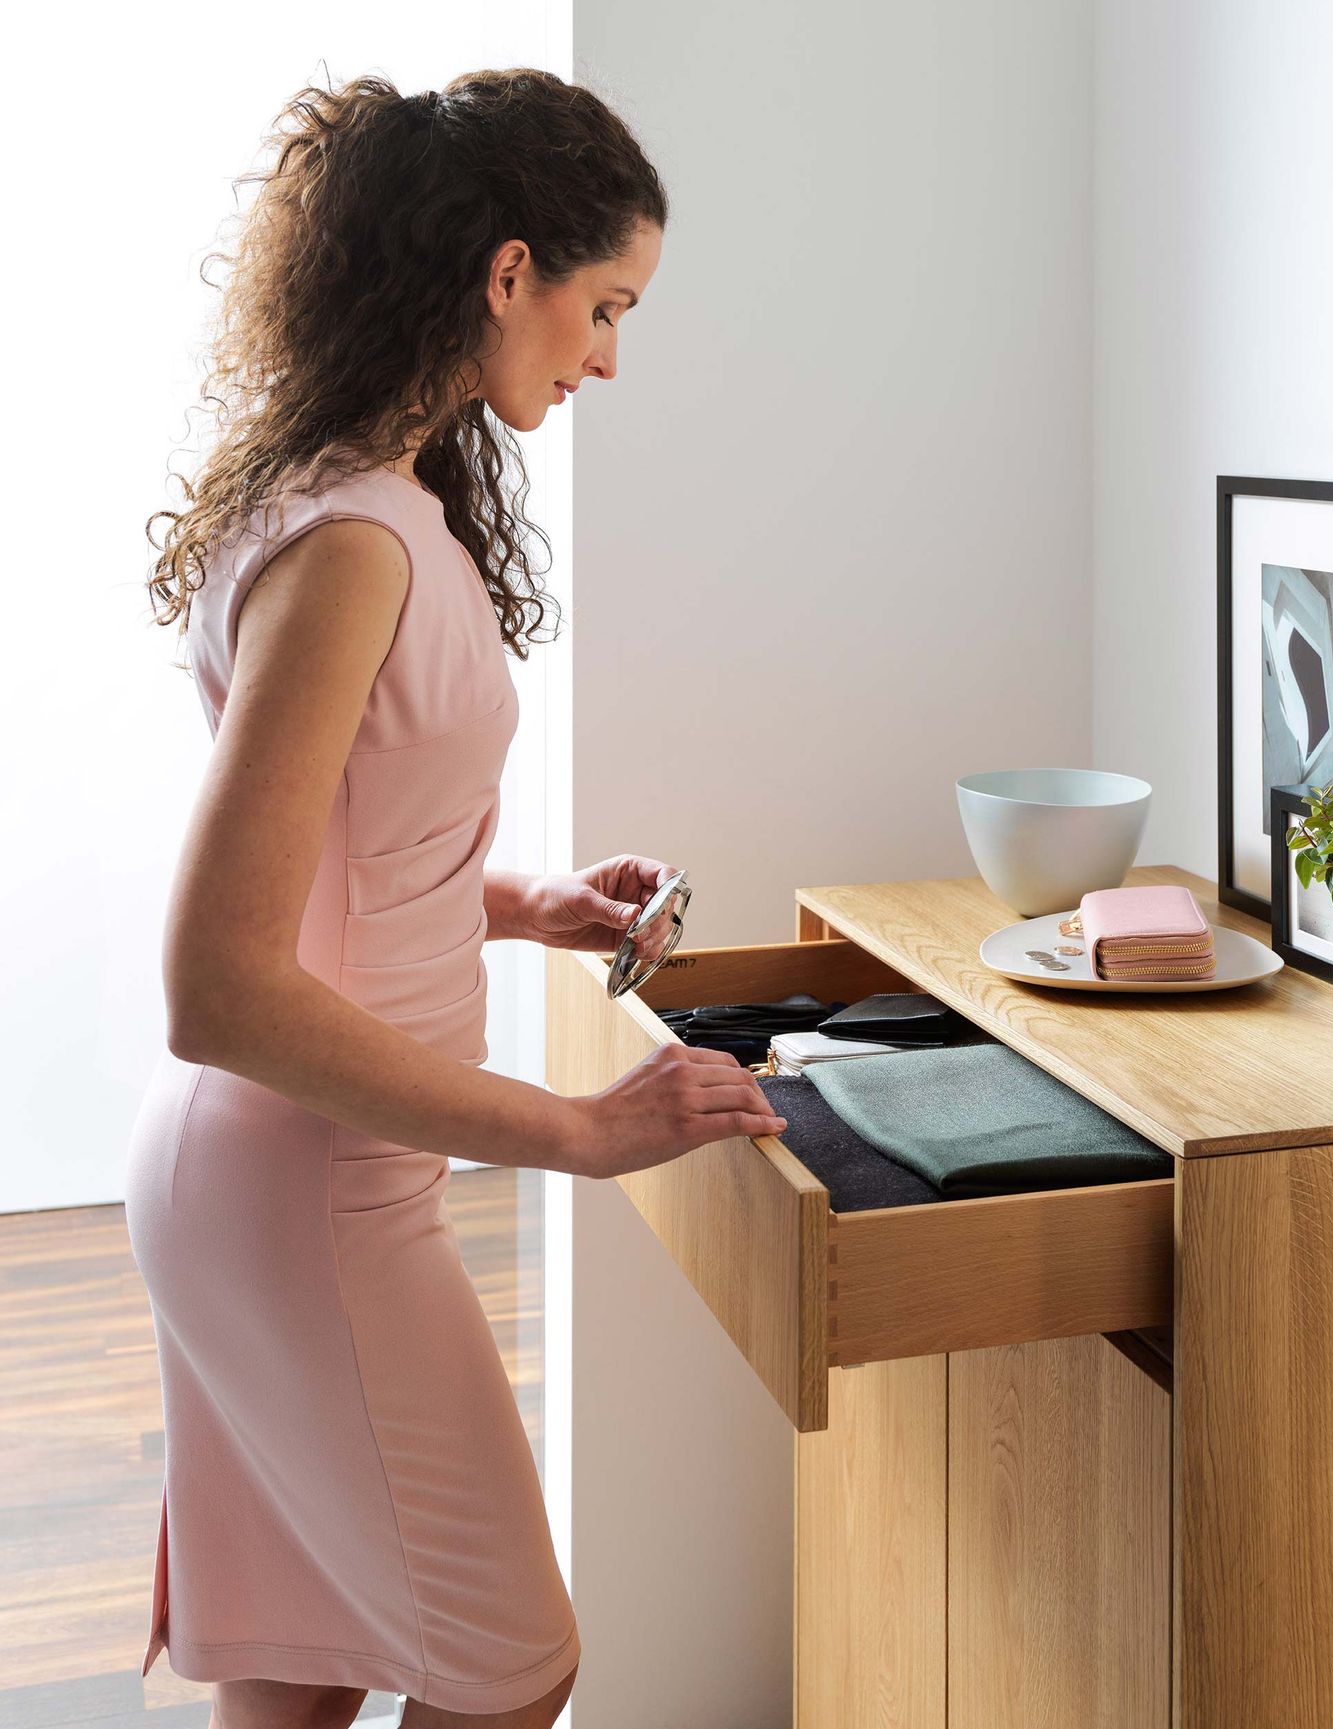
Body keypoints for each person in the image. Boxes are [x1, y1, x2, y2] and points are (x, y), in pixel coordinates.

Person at [124, 68, 789, 1729]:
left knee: (300, 1663)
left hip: (269, 1178)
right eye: (602, 305)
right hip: (309, 1193)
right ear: (506, 272)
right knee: (513, 1660)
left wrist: (532, 900)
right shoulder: (358, 546)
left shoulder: (347, 497)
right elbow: (217, 979)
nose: (606, 355)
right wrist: (575, 1125)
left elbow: (348, 861)